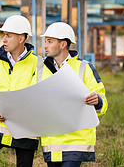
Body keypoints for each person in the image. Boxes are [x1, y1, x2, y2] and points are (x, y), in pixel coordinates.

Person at [0, 15, 44, 167]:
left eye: (8, 35)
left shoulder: (39, 64)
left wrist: (13, 110)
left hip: (26, 125)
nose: (4, 39)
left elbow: (38, 94)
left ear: (21, 38)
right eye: (3, 35)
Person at [39, 22, 108, 167]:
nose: (45, 46)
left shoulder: (84, 68)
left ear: (63, 44)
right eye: (45, 41)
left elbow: (102, 101)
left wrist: (98, 101)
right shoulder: (41, 70)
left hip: (77, 140)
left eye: (49, 41)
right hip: (51, 141)